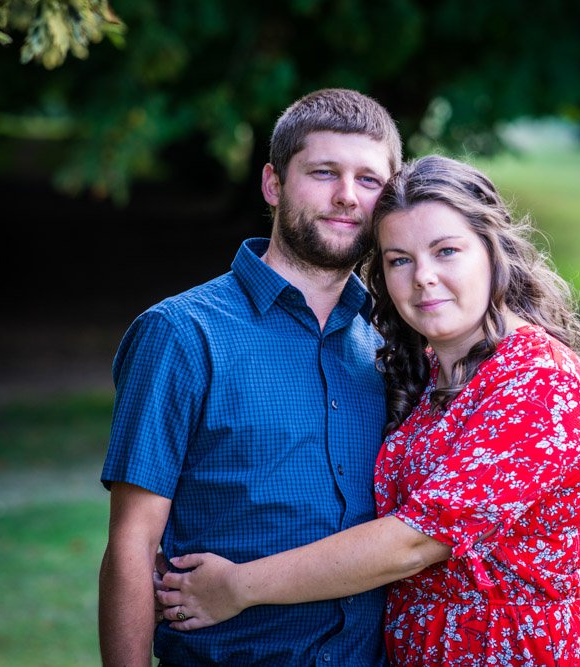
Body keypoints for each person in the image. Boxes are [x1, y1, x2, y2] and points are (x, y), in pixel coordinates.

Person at [157, 155, 580, 666]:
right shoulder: (430, 375)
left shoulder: (539, 378)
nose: (424, 278)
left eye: (446, 252)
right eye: (399, 260)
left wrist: (237, 586)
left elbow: (413, 543)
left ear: (493, 250)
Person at [98, 88, 402, 666]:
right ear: (272, 183)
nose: (346, 196)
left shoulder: (392, 346)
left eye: (369, 180)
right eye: (323, 171)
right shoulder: (181, 334)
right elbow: (132, 546)